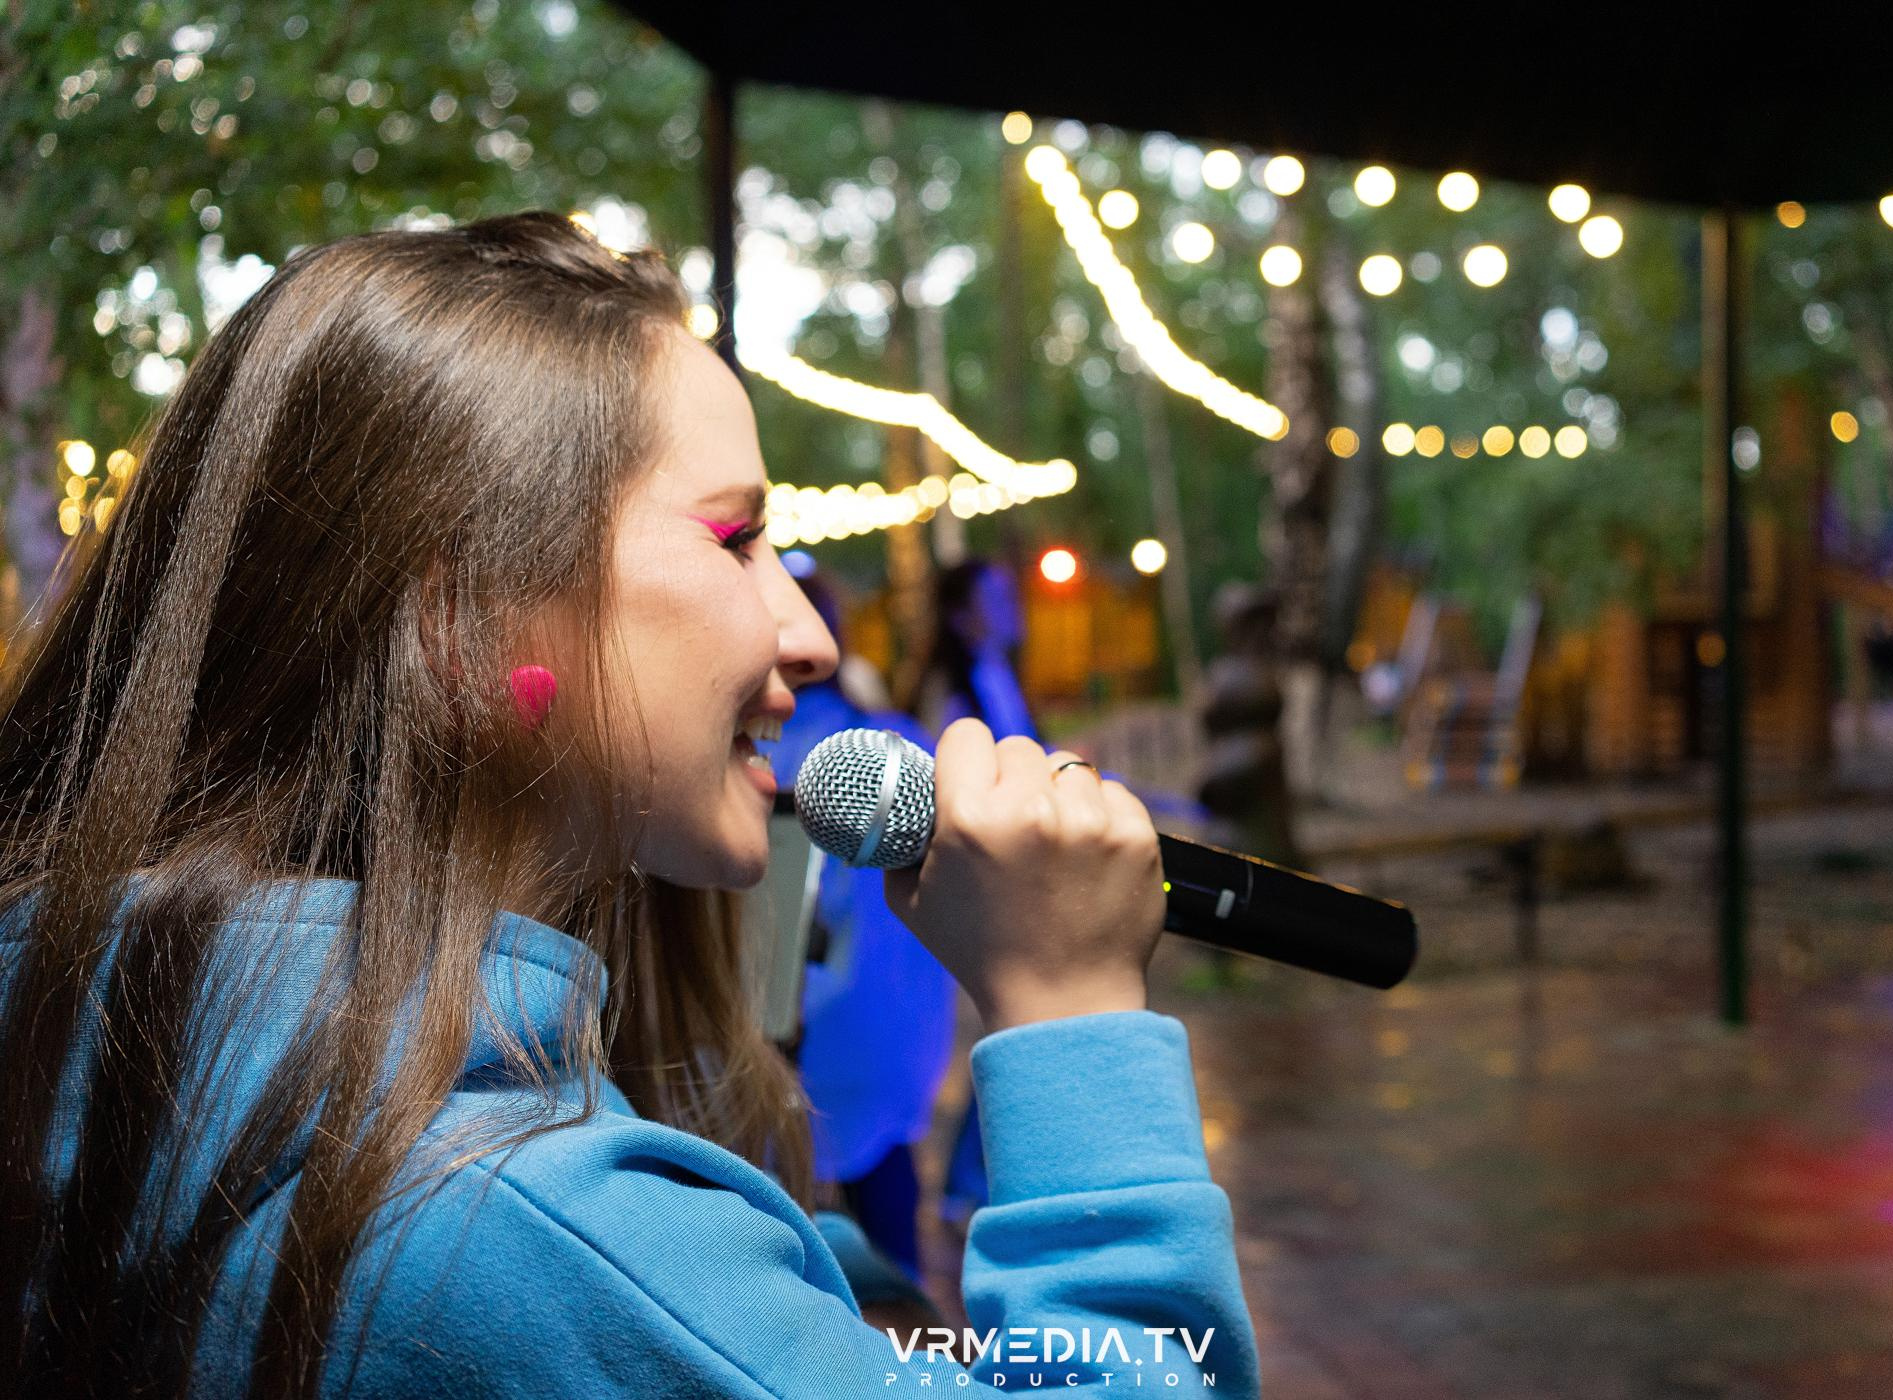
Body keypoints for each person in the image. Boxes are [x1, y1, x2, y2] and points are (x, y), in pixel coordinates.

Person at [0, 212, 1256, 1396]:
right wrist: (1072, 1012)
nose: (811, 636)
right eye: (734, 541)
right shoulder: (527, 1224)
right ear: (463, 621)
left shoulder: (104, 1036)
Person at [770, 567, 954, 1285]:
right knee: (890, 1229)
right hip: (894, 1031)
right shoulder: (898, 742)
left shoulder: (769, 760)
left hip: (806, 1034)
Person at [916, 558, 1038, 1227]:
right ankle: (964, 1184)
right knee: (1003, 1023)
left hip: (1018, 877)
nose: (1011, 601)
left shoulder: (997, 673)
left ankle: (974, 1181)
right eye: (997, 594)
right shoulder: (952, 690)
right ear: (964, 612)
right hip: (985, 883)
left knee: (1014, 1021)